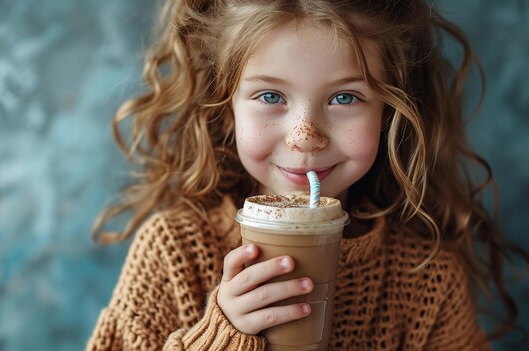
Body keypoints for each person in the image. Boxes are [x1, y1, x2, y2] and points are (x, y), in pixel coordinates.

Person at [86, 0, 527, 350]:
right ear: (225, 107)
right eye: (271, 94)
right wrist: (221, 336)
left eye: (345, 98)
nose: (305, 137)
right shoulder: (173, 252)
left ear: (390, 112)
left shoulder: (426, 279)